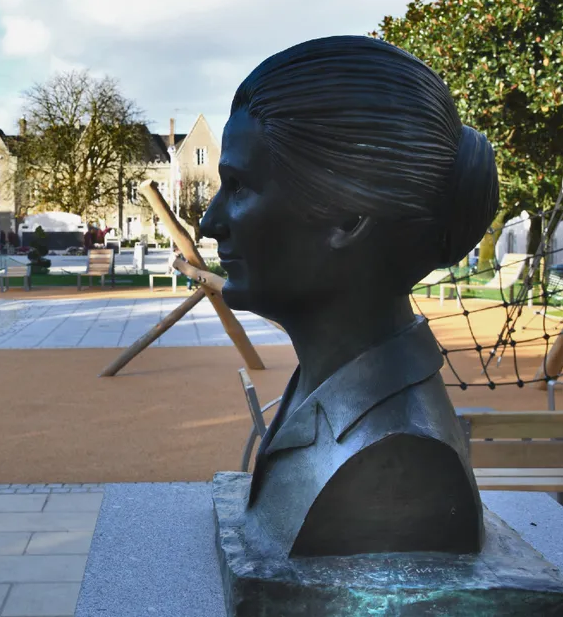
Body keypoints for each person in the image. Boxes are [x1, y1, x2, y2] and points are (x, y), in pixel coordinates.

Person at [201, 35, 497, 558]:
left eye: (239, 186)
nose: (210, 222)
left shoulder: (403, 453)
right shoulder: (327, 390)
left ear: (347, 218)